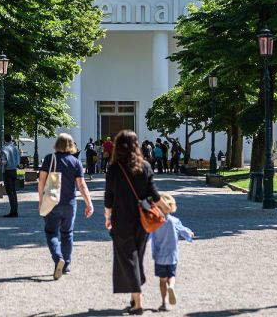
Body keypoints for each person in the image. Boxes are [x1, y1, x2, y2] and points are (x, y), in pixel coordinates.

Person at [104, 130, 166, 315]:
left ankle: (138, 302)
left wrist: (107, 217)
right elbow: (154, 196)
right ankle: (134, 295)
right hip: (143, 220)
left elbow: (109, 198)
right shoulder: (145, 166)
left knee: (128, 258)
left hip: (121, 219)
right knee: (136, 257)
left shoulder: (114, 168)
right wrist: (167, 209)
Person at [38, 133, 94, 280]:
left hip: (52, 201)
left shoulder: (50, 158)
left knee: (51, 232)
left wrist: (40, 201)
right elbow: (81, 185)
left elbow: (42, 181)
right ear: (71, 145)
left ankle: (58, 259)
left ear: (57, 144)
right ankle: (66, 264)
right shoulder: (76, 162)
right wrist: (89, 203)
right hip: (70, 203)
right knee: (67, 233)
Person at [150, 193, 194, 312]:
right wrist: (189, 234)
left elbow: (148, 234)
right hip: (172, 256)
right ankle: (172, 287)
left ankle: (164, 303)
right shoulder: (174, 221)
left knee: (162, 279)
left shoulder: (155, 222)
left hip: (159, 256)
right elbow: (184, 231)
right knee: (172, 276)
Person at [0, 134, 21, 218]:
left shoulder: (4, 149)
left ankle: (13, 211)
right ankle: (15, 210)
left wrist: (0, 161)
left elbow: (4, 162)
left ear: (4, 140)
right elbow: (18, 160)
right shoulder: (15, 148)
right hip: (14, 171)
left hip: (7, 171)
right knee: (14, 191)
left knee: (9, 192)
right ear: (11, 139)